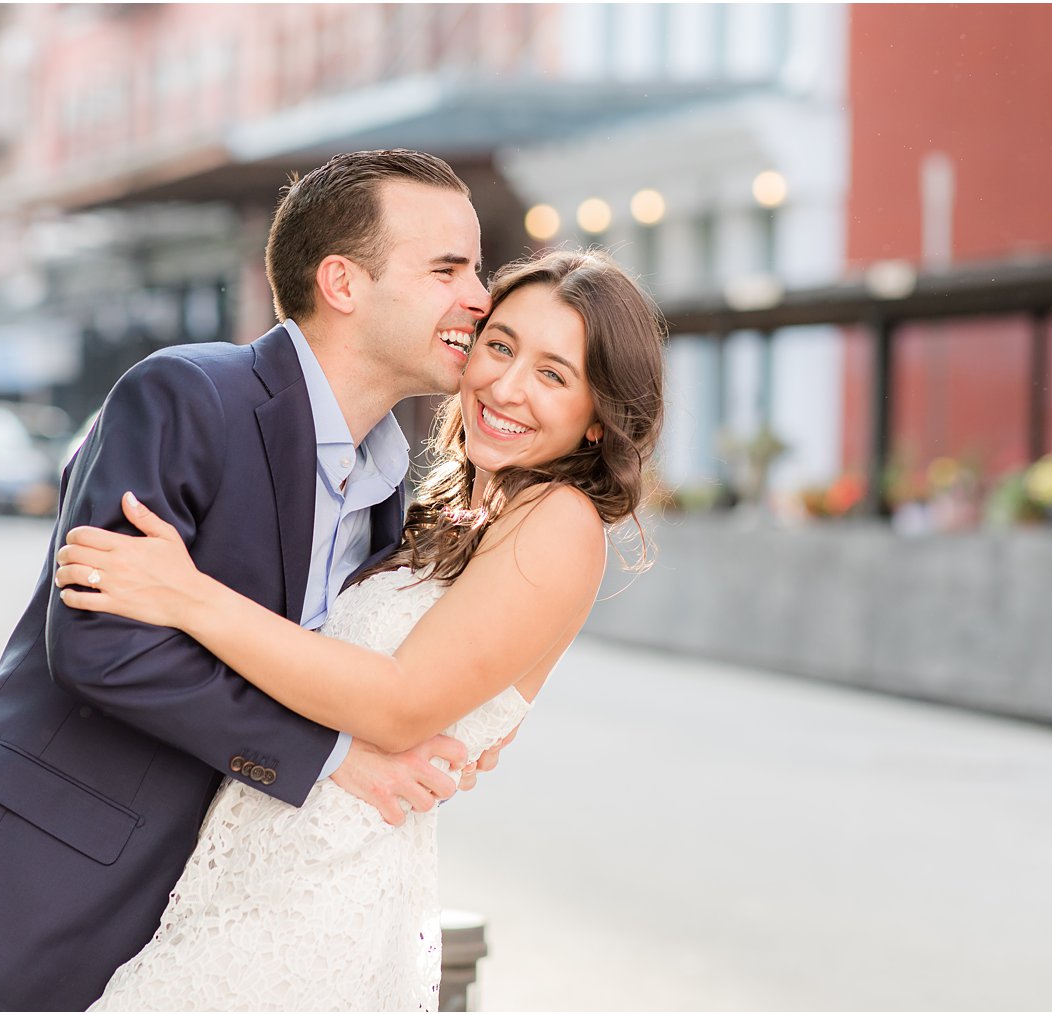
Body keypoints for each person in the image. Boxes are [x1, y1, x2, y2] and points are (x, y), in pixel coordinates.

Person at [0, 149, 500, 1011]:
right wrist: (327, 756)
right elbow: (100, 644)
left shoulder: (385, 490)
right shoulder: (185, 395)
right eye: (447, 269)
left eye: (479, 268)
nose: (479, 296)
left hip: (178, 936)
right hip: (17, 903)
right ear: (343, 282)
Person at [55, 248, 667, 1010]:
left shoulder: (561, 520)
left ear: (597, 420)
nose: (505, 385)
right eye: (500, 345)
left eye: (553, 373)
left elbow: (398, 702)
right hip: (261, 872)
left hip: (319, 894)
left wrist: (187, 595)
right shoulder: (458, 510)